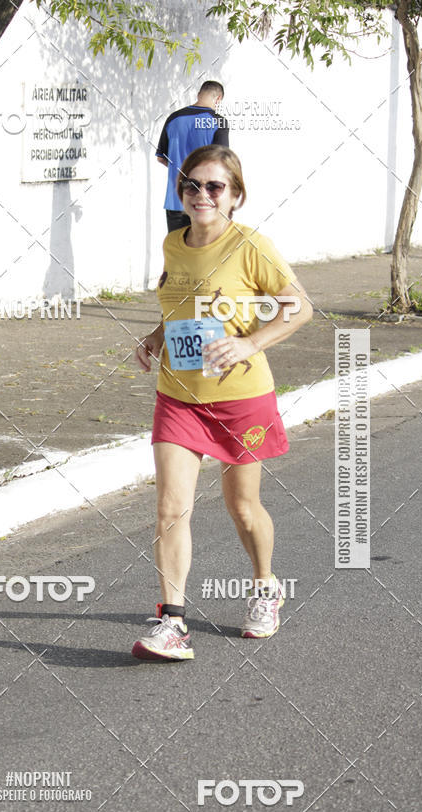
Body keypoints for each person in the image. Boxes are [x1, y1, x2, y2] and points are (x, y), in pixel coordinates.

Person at [132, 145, 313, 661]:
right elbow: (180, 307)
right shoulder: (174, 243)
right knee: (171, 508)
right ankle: (173, 623)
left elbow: (300, 306)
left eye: (215, 187)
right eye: (192, 185)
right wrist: (156, 337)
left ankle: (265, 587)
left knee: (242, 507)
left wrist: (249, 343)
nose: (202, 195)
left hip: (240, 399)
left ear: (235, 196)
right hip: (179, 395)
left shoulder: (251, 246)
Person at [156, 81, 229, 233]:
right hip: (204, 203)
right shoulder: (219, 122)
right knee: (205, 248)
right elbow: (221, 164)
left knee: (177, 248)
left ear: (198, 95)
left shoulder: (173, 118)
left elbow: (161, 158)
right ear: (218, 99)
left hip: (175, 201)